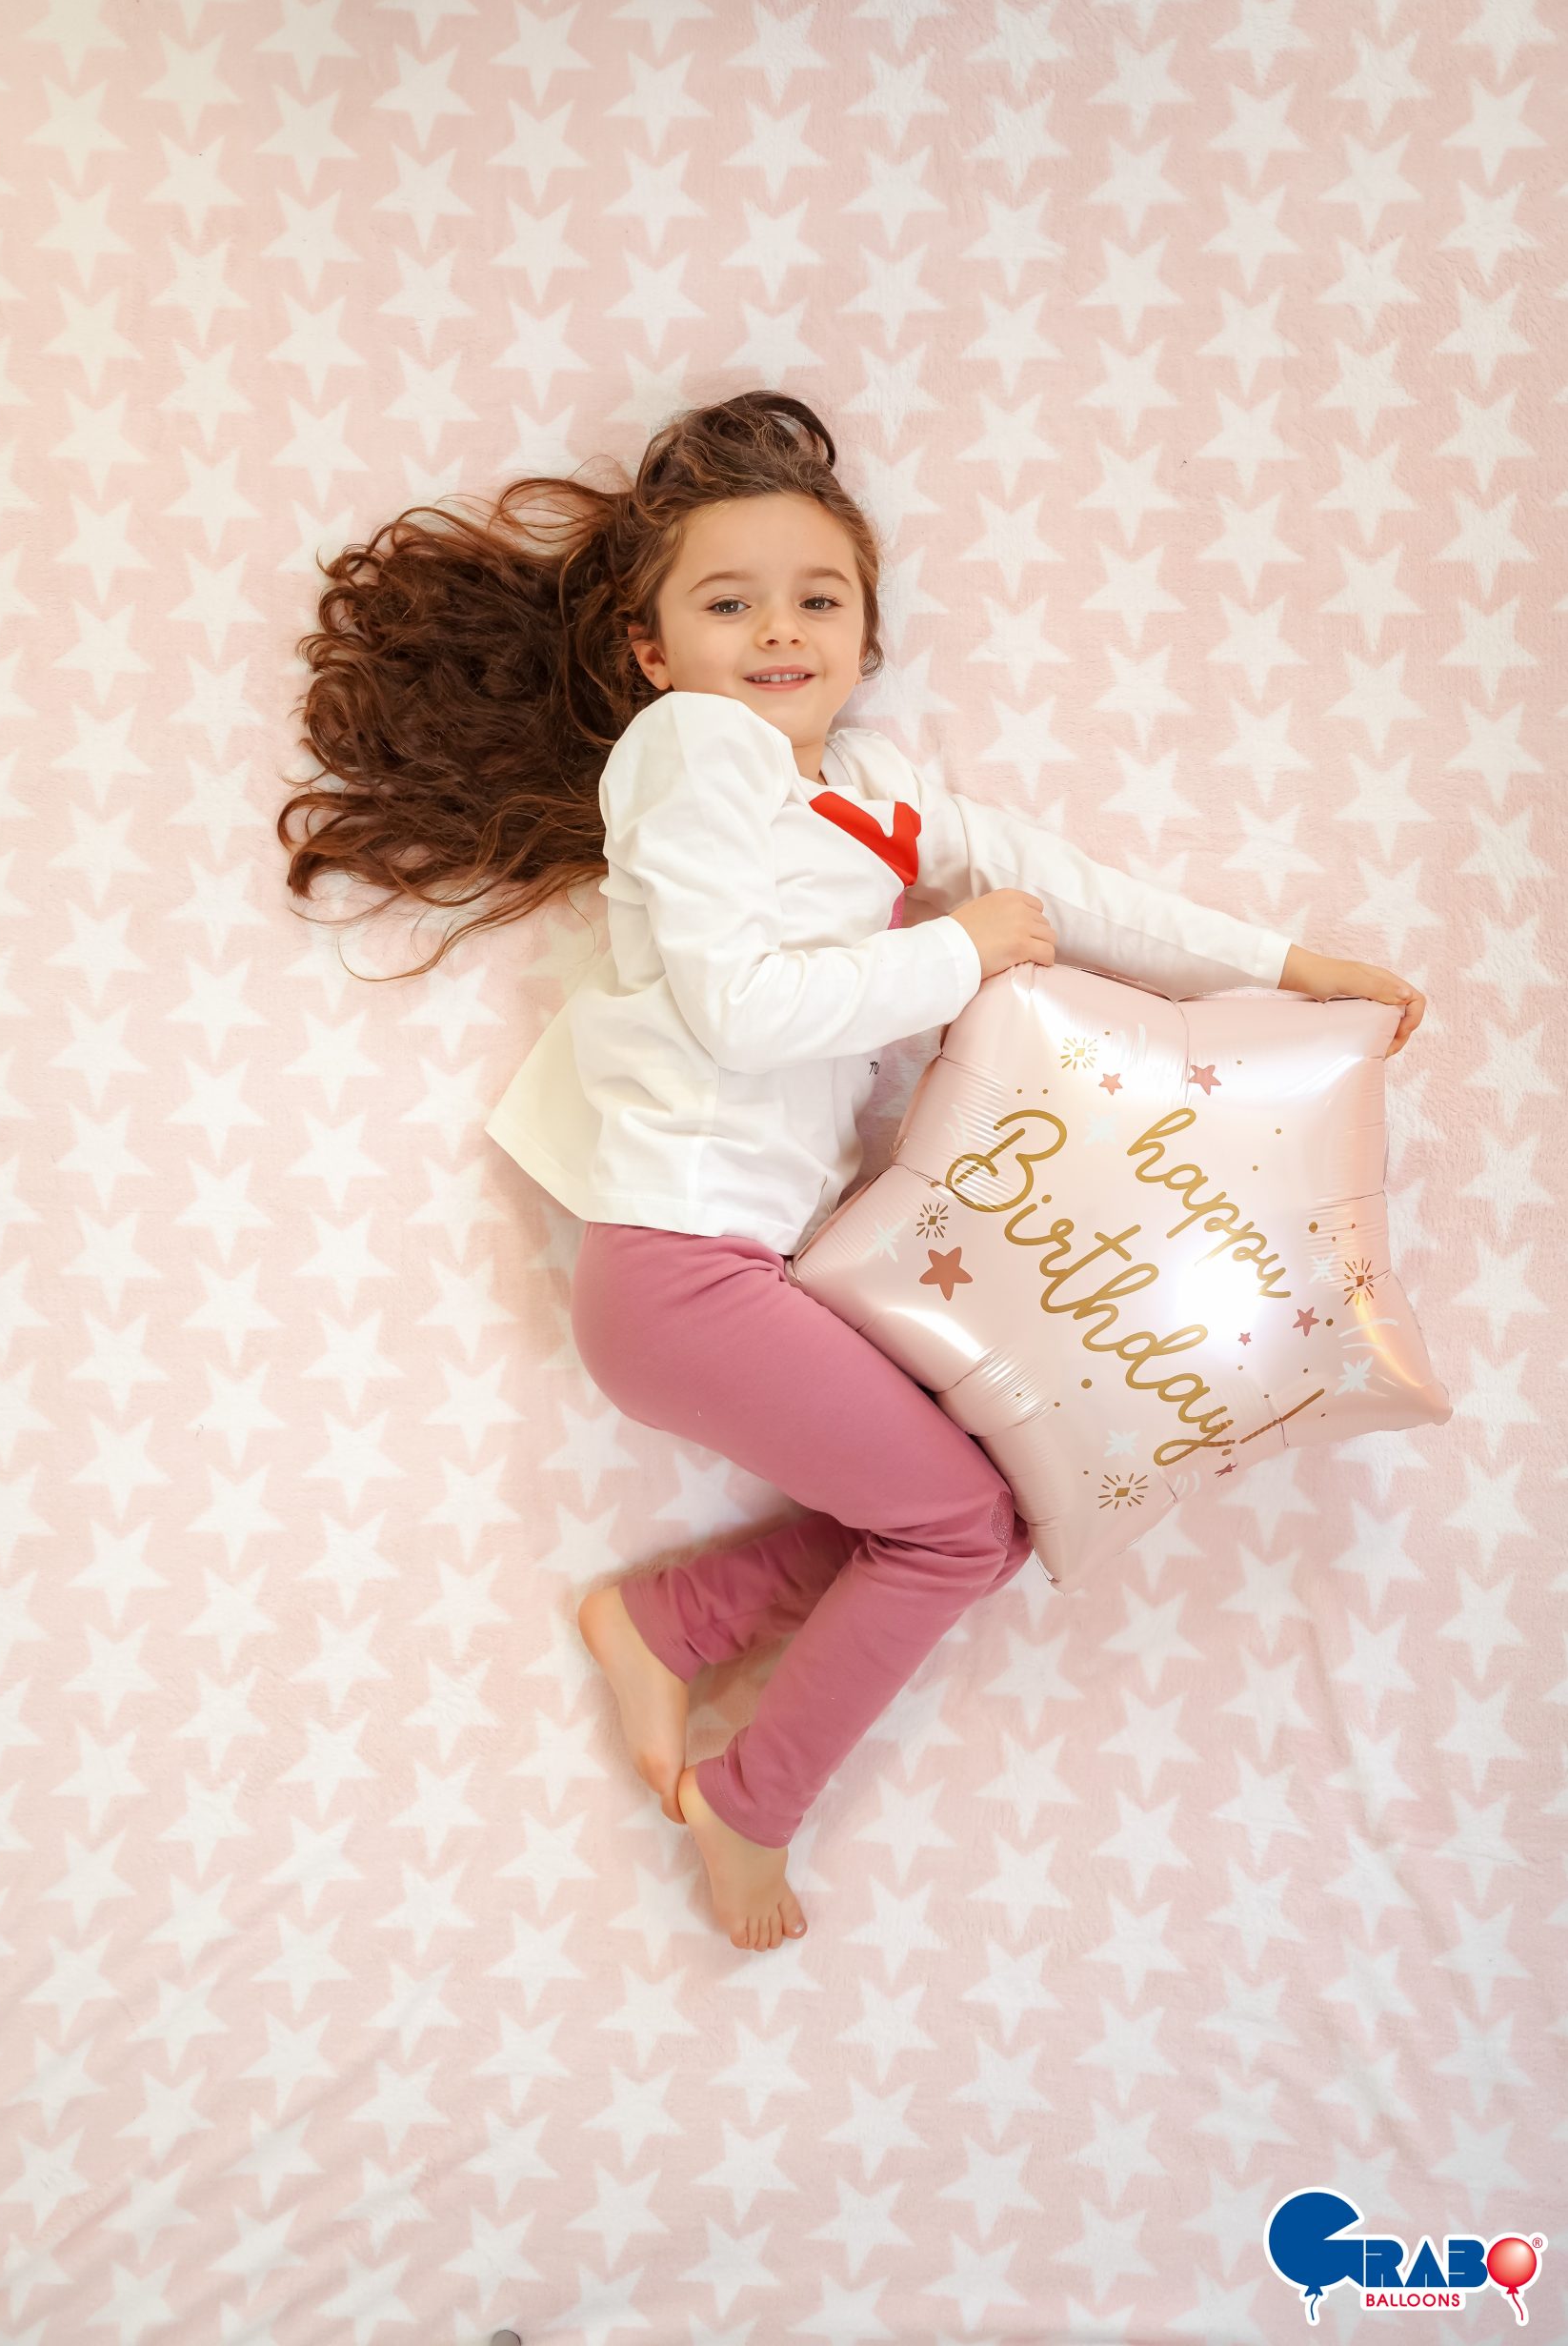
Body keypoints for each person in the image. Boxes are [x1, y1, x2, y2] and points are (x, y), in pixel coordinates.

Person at [278, 391, 1427, 1955]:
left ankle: (668, 1623)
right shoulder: (693, 754)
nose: (779, 630)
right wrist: (964, 952)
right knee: (956, 1528)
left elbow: (1068, 887)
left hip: (725, 1271)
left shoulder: (875, 786)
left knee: (991, 1514)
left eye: (818, 600)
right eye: (728, 602)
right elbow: (739, 1011)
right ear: (651, 651)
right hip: (675, 1265)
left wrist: (1287, 966)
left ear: (868, 637)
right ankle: (751, 1803)